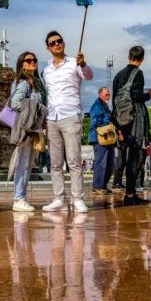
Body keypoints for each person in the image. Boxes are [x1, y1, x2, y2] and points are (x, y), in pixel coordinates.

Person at [41, 31, 94, 212]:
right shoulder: (46, 70)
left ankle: (77, 198)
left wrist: (83, 64)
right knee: (55, 163)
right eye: (52, 43)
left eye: (59, 41)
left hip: (70, 115)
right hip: (52, 118)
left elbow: (88, 76)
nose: (57, 44)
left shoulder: (74, 63)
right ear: (48, 48)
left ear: (63, 43)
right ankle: (59, 198)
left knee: (74, 160)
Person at [112, 45, 151, 206]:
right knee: (134, 158)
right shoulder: (138, 73)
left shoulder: (118, 75)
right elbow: (136, 97)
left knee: (125, 157)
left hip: (121, 120)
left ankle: (129, 193)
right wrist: (148, 96)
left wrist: (117, 124)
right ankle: (130, 195)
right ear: (142, 59)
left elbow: (115, 100)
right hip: (134, 120)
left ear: (128, 57)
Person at [10, 51, 47, 211]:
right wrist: (35, 110)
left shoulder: (37, 82)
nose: (32, 62)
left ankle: (21, 197)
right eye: (28, 60)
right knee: (23, 163)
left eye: (34, 60)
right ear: (22, 64)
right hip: (26, 127)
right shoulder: (25, 83)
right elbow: (15, 103)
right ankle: (18, 199)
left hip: (34, 127)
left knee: (28, 163)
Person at [89, 86, 116, 196]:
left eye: (109, 94)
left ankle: (103, 184)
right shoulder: (97, 106)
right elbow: (96, 120)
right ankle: (97, 186)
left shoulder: (104, 106)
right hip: (99, 138)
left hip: (108, 139)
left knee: (110, 163)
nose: (108, 96)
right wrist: (108, 123)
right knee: (100, 163)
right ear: (100, 95)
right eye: (106, 94)